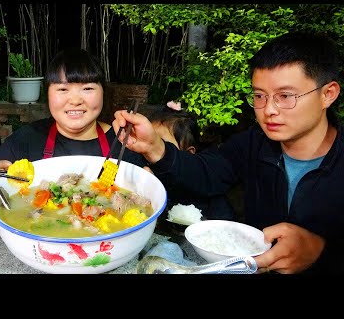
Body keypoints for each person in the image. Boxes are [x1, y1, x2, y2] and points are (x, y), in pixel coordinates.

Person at [112, 31, 343, 274]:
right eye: (259, 96)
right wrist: (154, 146)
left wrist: (320, 251)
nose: (269, 110)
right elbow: (206, 172)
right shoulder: (254, 143)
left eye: (285, 96)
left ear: (328, 94)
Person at [0, 47, 147, 171]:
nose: (75, 101)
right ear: (47, 94)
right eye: (63, 90)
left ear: (103, 93)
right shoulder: (26, 139)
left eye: (87, 89)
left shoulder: (124, 142)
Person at [148, 101, 236, 222]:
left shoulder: (207, 194)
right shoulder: (144, 176)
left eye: (160, 143)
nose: (149, 149)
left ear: (188, 153)